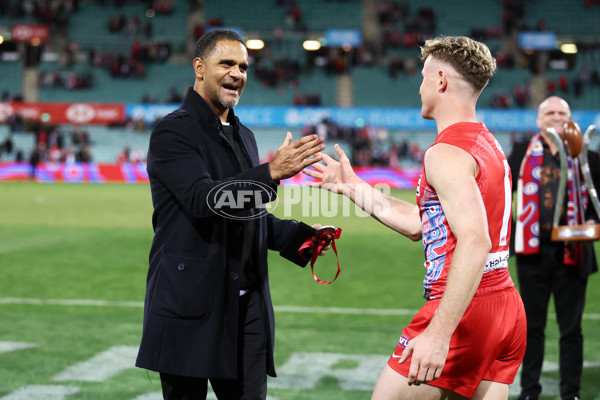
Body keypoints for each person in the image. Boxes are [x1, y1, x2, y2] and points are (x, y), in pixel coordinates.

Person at [304, 35, 527, 399]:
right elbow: (423, 225)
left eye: (424, 76)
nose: (419, 86)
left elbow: (474, 240)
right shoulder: (488, 144)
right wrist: (354, 186)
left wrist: (439, 333)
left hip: (465, 308)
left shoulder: (446, 153)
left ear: (441, 81)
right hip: (505, 304)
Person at [135, 29, 331, 400]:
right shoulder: (172, 132)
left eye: (243, 66)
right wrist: (271, 172)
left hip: (247, 306)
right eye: (226, 63)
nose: (237, 73)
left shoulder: (245, 136)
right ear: (199, 68)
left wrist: (300, 238)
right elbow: (202, 199)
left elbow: (246, 213)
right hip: (189, 303)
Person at [508, 96, 600, 400]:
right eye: (550, 112)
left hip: (573, 254)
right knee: (531, 328)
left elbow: (597, 214)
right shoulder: (521, 152)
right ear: (538, 120)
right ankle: (529, 391)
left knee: (571, 329)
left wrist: (577, 231)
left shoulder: (588, 157)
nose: (556, 116)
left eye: (562, 112)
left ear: (571, 119)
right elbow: (500, 195)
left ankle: (570, 392)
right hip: (531, 255)